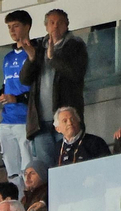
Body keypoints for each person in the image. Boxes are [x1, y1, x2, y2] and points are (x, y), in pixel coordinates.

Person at [20, 8, 89, 166]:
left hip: (66, 120)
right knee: (45, 168)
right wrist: (31, 58)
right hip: (40, 122)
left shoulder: (75, 46)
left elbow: (76, 73)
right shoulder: (38, 47)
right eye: (52, 23)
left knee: (68, 164)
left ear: (67, 25)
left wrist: (52, 58)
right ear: (46, 26)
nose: (55, 26)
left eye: (60, 23)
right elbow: (24, 80)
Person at [0, 12, 35, 185]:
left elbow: (38, 89)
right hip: (6, 119)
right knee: (12, 171)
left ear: (27, 26)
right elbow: (7, 86)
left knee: (28, 168)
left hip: (25, 120)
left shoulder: (34, 53)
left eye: (15, 26)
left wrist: (17, 99)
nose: (12, 30)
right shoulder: (8, 57)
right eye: (9, 27)